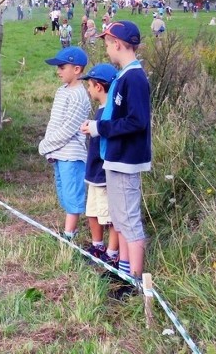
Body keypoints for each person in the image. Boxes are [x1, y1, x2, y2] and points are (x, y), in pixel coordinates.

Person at [80, 20, 152, 295]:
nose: (107, 49)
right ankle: (122, 270)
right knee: (120, 220)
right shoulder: (124, 76)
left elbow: (137, 121)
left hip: (126, 159)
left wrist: (100, 128)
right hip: (116, 157)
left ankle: (134, 281)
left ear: (119, 44)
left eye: (108, 43)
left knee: (129, 221)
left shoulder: (134, 78)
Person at [38, 46, 92, 242]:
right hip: (59, 152)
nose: (58, 71)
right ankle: (69, 230)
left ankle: (69, 234)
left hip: (71, 153)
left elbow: (69, 129)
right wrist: (50, 146)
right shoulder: (62, 91)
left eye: (62, 67)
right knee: (62, 190)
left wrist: (45, 145)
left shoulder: (79, 96)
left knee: (72, 193)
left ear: (76, 69)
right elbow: (55, 122)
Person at [78, 63, 120, 265]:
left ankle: (111, 254)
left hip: (103, 174)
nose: (88, 89)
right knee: (93, 211)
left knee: (108, 215)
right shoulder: (101, 111)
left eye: (90, 85)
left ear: (99, 87)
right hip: (93, 172)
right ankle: (97, 246)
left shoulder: (109, 114)